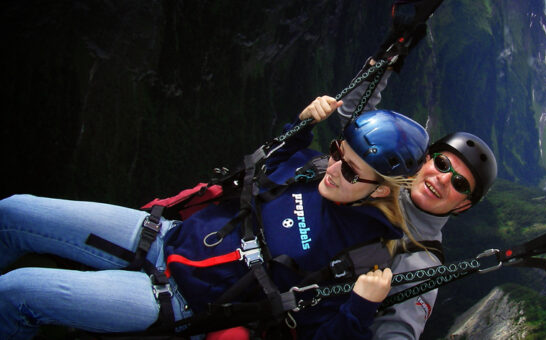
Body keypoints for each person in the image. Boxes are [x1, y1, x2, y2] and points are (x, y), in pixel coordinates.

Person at [0, 96, 430, 339]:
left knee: (18, 292)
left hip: (178, 301)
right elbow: (255, 173)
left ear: (380, 189)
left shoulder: (361, 255)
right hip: (163, 235)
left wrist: (359, 307)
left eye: (352, 171)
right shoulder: (314, 169)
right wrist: (298, 125)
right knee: (13, 210)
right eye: (339, 153)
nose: (335, 170)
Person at [335, 58, 497, 339]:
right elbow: (356, 120)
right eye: (443, 164)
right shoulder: (387, 171)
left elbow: (399, 330)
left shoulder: (420, 262)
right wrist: (383, 64)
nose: (443, 179)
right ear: (425, 160)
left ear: (463, 205)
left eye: (459, 183)